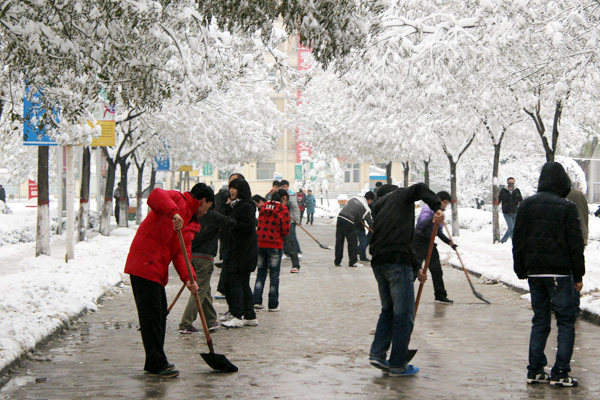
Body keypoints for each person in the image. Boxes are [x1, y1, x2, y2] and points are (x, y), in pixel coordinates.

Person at [124, 183, 213, 378]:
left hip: (155, 268)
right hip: (144, 263)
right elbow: (155, 195)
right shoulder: (177, 200)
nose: (207, 212)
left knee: (158, 315)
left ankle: (155, 361)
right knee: (152, 317)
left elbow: (182, 253)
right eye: (208, 207)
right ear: (203, 201)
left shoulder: (190, 223)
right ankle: (156, 363)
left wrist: (190, 278)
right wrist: (174, 213)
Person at [513, 162, 585, 387]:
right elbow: (575, 244)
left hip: (535, 272)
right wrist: (579, 275)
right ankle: (560, 372)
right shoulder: (566, 206)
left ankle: (535, 370)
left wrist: (521, 268)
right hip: (560, 274)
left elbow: (518, 240)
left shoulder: (526, 205)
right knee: (565, 321)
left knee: (540, 320)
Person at [368, 183, 443, 377]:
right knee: (403, 315)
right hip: (396, 262)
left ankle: (378, 353)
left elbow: (401, 239)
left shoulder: (379, 207)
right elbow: (419, 187)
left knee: (388, 311)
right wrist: (437, 207)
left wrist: (417, 267)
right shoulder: (400, 195)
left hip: (379, 262)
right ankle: (398, 364)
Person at [178, 201, 235, 334]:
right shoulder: (212, 215)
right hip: (205, 257)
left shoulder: (192, 213)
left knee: (205, 289)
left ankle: (210, 320)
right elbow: (231, 222)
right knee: (200, 290)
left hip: (190, 255)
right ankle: (186, 323)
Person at [221, 178, 259, 328]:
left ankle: (237, 315)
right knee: (242, 284)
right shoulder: (234, 205)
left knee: (235, 282)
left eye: (235, 188)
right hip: (236, 250)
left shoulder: (246, 206)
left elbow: (248, 226)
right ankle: (249, 315)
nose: (232, 190)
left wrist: (232, 223)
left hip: (243, 252)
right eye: (231, 187)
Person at [412, 191, 456, 304]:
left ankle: (440, 295)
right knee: (415, 270)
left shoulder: (441, 214)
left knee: (436, 270)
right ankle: (403, 293)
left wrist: (449, 243)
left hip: (430, 243)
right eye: (444, 203)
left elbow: (439, 232)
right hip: (419, 242)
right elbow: (421, 225)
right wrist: (433, 217)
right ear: (438, 200)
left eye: (447, 203)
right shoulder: (428, 209)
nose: (445, 205)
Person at [253, 189, 290, 312]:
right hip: (275, 244)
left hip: (261, 244)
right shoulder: (283, 209)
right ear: (284, 197)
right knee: (274, 275)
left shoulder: (263, 207)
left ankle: (256, 301)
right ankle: (273, 304)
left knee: (260, 273)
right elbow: (285, 230)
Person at [334, 192, 374, 268]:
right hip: (349, 221)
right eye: (371, 201)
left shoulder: (355, 198)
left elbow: (351, 208)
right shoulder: (366, 208)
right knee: (352, 241)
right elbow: (371, 223)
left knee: (339, 240)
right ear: (369, 200)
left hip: (340, 217)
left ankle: (337, 261)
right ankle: (353, 262)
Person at [566, 187, 589, 317]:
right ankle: (575, 304)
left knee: (568, 273)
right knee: (577, 269)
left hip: (569, 238)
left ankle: (571, 306)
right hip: (581, 234)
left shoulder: (561, 196)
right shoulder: (580, 195)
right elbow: (585, 214)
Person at [280, 180, 303, 262]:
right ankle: (286, 253)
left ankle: (298, 251)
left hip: (291, 220)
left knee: (292, 236)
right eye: (282, 186)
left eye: (285, 186)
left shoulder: (291, 195)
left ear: (288, 187)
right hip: (282, 220)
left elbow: (295, 208)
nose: (284, 188)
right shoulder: (279, 195)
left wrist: (297, 220)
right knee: (284, 237)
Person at [498, 177, 523, 243]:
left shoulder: (517, 190)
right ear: (507, 183)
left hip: (515, 211)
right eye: (509, 182)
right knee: (511, 227)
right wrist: (495, 205)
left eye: (512, 182)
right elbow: (499, 199)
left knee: (512, 227)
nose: (511, 183)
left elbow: (521, 200)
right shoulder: (503, 190)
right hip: (506, 212)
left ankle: (503, 240)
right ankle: (514, 241)